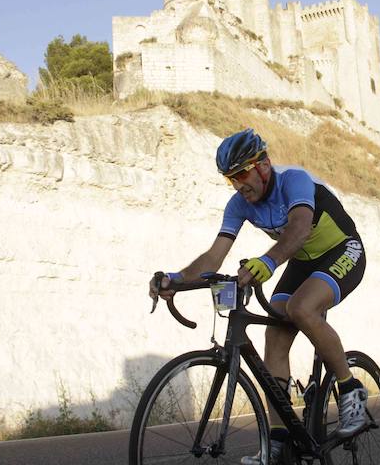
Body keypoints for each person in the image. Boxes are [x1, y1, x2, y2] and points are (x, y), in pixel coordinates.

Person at [150, 128, 368, 464]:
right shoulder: (238, 205)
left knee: (301, 308)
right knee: (275, 331)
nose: (237, 185)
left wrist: (267, 262)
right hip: (301, 260)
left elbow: (299, 228)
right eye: (230, 179)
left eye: (241, 175)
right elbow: (214, 257)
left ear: (263, 165)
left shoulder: (293, 181)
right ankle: (279, 440)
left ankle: (351, 389)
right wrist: (175, 279)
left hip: (342, 249)